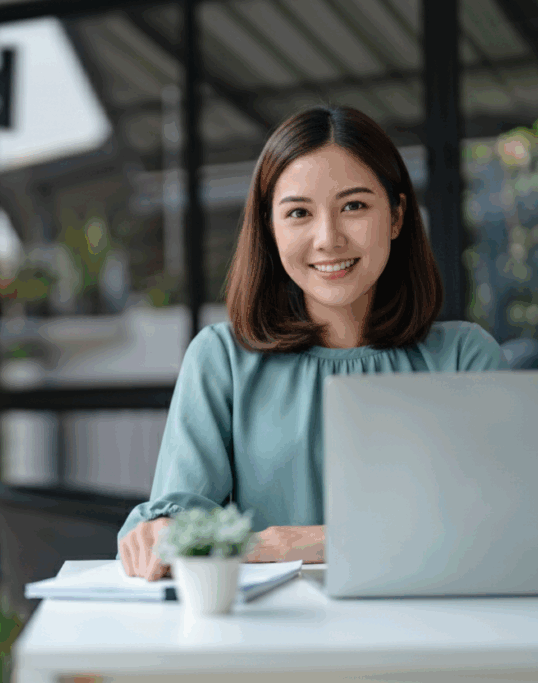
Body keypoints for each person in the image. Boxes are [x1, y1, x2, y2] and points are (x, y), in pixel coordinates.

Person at [117, 105, 508, 581]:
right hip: (276, 625)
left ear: (396, 216)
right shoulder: (222, 359)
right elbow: (181, 522)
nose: (328, 239)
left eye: (354, 206)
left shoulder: (465, 358)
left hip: (432, 619)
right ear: (270, 228)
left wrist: (301, 542)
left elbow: (498, 525)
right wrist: (160, 531)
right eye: (299, 213)